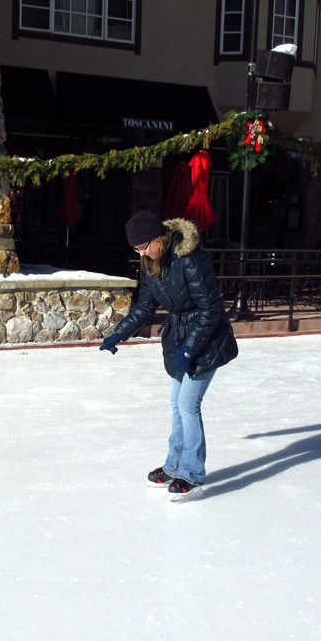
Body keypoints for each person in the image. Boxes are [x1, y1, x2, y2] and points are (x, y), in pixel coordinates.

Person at [99, 211, 238, 500]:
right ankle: (175, 465)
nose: (141, 254)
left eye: (143, 247)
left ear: (158, 238)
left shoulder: (191, 259)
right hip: (179, 337)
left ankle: (192, 473)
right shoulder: (151, 264)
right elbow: (144, 307)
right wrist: (118, 334)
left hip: (207, 339)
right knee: (176, 404)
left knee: (188, 405)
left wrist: (189, 350)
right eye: (136, 249)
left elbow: (210, 310)